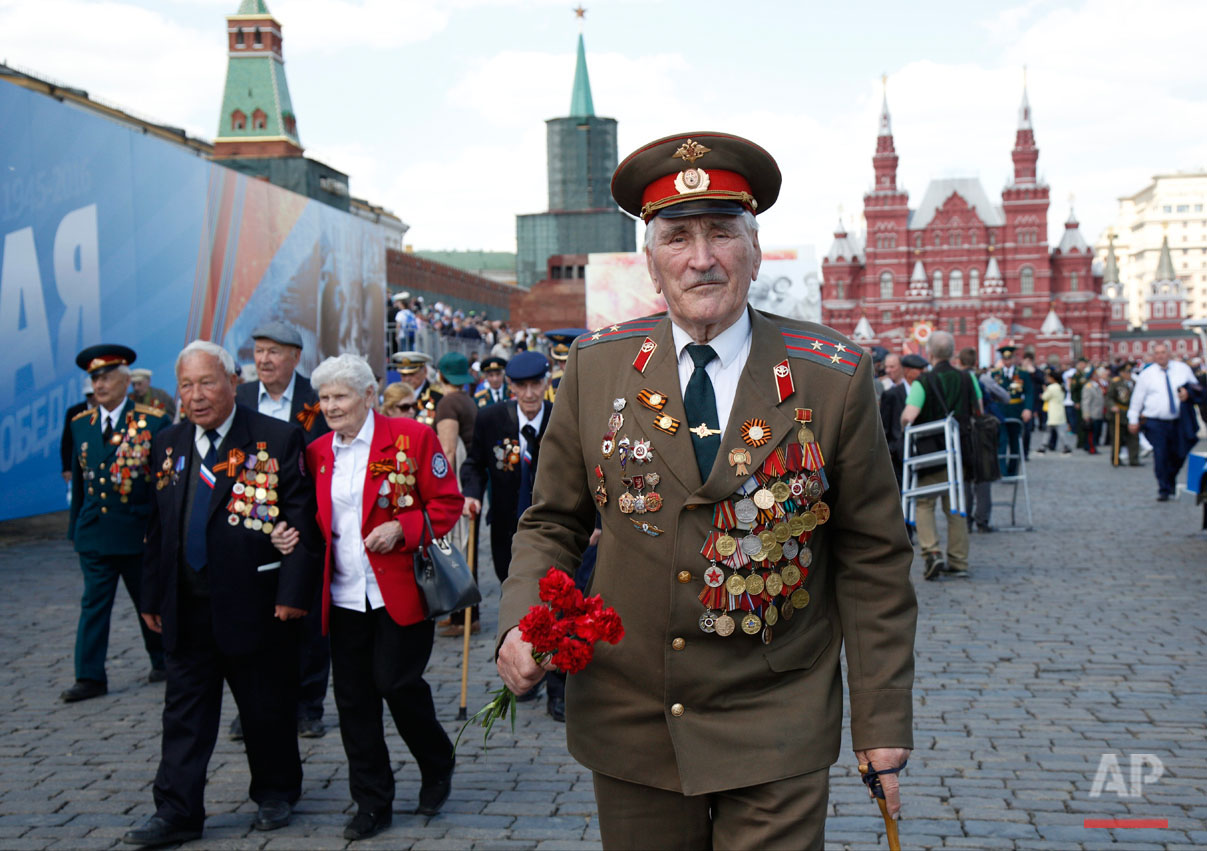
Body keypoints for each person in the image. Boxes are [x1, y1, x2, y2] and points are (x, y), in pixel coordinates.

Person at [495, 131, 917, 848]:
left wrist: (880, 722)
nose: (700, 257)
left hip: (776, 712)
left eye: (721, 233)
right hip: (632, 714)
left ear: (753, 251)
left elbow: (871, 557)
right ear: (650, 262)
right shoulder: (596, 370)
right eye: (677, 236)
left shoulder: (831, 376)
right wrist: (521, 620)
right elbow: (552, 521)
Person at [124, 341, 320, 847]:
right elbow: (157, 528)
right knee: (184, 714)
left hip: (255, 604)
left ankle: (276, 791)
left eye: (207, 382)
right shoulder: (168, 442)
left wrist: (292, 592)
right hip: (185, 606)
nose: (196, 396)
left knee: (265, 707)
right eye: (186, 385)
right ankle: (177, 811)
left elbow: (300, 522)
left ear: (234, 381)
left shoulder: (276, 440)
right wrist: (150, 598)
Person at [269, 354, 462, 841]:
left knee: (397, 684)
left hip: (400, 592)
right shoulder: (317, 454)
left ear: (369, 396)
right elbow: (309, 521)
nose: (330, 406)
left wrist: (403, 527)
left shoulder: (411, 438)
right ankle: (373, 801)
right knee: (353, 701)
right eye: (325, 398)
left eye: (340, 396)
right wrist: (284, 536)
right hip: (344, 596)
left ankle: (437, 759)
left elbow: (447, 503)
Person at [233, 320, 331, 740]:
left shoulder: (317, 398)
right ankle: (254, 706)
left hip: (306, 522)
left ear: (295, 356)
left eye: (274, 351)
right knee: (252, 620)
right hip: (248, 524)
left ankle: (308, 704)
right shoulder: (239, 398)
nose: (264, 359)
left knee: (307, 620)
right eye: (258, 351)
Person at [61, 345, 169, 703]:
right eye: (94, 378)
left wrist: (159, 530)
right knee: (94, 604)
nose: (100, 384)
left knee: (147, 600)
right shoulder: (81, 424)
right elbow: (80, 480)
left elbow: (161, 485)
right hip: (95, 532)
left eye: (106, 376)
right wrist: (76, 527)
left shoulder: (151, 421)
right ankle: (89, 676)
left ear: (126, 380)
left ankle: (162, 659)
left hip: (135, 530)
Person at [460, 351, 558, 715]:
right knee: (517, 597)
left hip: (557, 528)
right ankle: (525, 669)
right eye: (521, 386)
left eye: (536, 385)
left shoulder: (560, 416)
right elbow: (474, 463)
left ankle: (558, 688)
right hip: (507, 528)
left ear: (546, 383)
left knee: (557, 602)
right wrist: (471, 494)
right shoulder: (490, 419)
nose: (529, 394)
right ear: (510, 387)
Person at [901, 332, 981, 580]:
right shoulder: (968, 378)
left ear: (931, 354)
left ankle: (932, 552)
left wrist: (904, 423)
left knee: (924, 503)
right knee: (955, 504)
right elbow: (979, 409)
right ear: (953, 353)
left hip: (930, 452)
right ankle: (959, 561)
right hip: (960, 451)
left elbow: (909, 416)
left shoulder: (922, 382)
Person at [432, 351, 478, 629]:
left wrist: (442, 490)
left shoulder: (448, 403)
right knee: (464, 545)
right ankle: (465, 614)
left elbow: (447, 449)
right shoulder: (467, 400)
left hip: (458, 481)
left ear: (440, 375)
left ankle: (462, 615)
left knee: (457, 547)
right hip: (468, 478)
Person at [1128, 343, 1198, 501]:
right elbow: (1137, 399)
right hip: (1155, 422)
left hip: (1179, 421)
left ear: (1169, 353)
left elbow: (1195, 387)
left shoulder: (1182, 369)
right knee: (1160, 455)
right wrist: (1133, 419)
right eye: (1157, 353)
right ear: (1153, 355)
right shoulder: (1147, 374)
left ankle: (1170, 477)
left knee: (1179, 453)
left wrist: (1189, 393)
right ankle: (1163, 488)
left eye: (1163, 352)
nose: (1160, 356)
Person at [879, 353, 925, 489]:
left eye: (892, 366)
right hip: (900, 453)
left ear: (902, 368)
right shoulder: (889, 393)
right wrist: (890, 450)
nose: (888, 370)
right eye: (886, 367)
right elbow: (884, 426)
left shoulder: (919, 387)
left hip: (921, 448)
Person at [991, 343, 1033, 474]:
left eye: (1009, 358)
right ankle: (1002, 471)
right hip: (1000, 411)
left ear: (1014, 359)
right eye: (1005, 359)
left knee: (1015, 442)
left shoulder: (1022, 374)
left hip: (1016, 411)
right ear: (1002, 360)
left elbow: (1030, 392)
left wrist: (1028, 409)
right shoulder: (995, 374)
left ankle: (1013, 471)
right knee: (1001, 441)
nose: (1007, 361)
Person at [391, 351, 441, 427]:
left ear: (424, 371)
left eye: (412, 374)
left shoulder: (437, 396)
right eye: (404, 375)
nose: (407, 379)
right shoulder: (395, 395)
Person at [60, 376, 95, 483]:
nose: (92, 397)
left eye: (93, 394)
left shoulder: (111, 409)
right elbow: (67, 441)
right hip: (81, 464)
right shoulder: (75, 412)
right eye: (89, 395)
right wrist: (67, 468)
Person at [1106, 363, 1141, 466]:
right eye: (1127, 372)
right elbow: (1109, 397)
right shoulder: (1115, 383)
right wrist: (1112, 406)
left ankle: (1134, 459)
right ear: (1121, 373)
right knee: (1117, 438)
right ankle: (1115, 459)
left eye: (1130, 372)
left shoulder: (1135, 383)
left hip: (1131, 414)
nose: (1129, 374)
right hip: (1118, 414)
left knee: (1133, 438)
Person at [543, 329, 588, 403]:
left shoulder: (592, 381)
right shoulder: (553, 383)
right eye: (560, 361)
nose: (563, 367)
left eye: (567, 361)